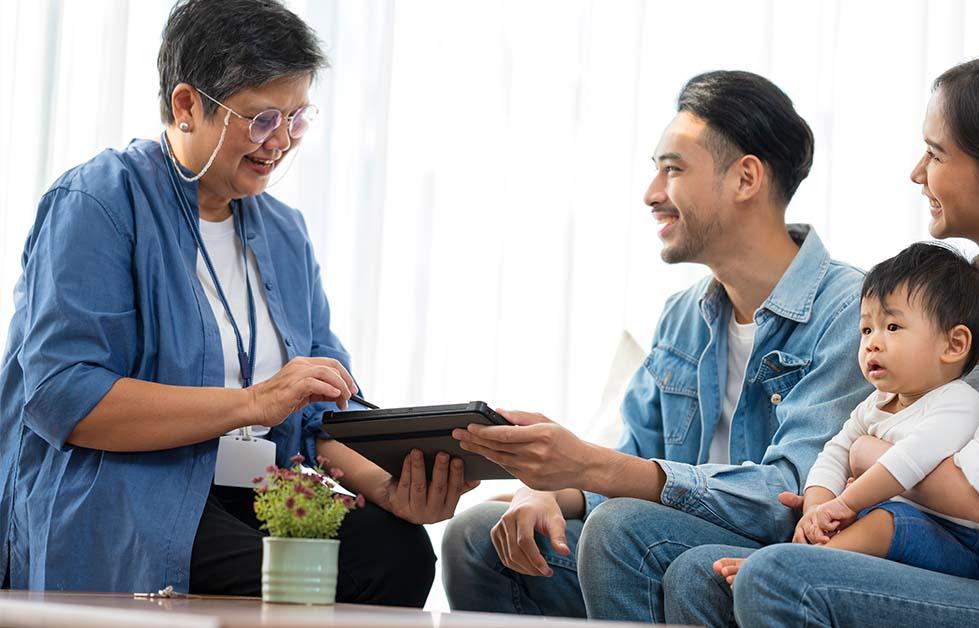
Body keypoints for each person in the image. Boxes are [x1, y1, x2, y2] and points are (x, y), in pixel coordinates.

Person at [663, 49, 979, 628]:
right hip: (948, 552)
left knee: (775, 578)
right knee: (695, 574)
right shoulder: (967, 287)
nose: (917, 173)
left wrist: (862, 455)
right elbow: (893, 417)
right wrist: (828, 496)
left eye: (935, 154)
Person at [0, 0, 474, 605]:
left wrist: (387, 487)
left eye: (297, 118)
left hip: (255, 487)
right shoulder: (98, 201)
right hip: (131, 489)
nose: (280, 142)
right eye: (261, 119)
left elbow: (317, 414)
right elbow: (64, 395)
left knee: (394, 551)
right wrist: (252, 402)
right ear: (186, 106)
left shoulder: (284, 233)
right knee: (282, 580)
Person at [443, 70, 872, 621]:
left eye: (672, 169)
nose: (651, 194)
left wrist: (590, 468)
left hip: (762, 561)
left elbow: (788, 495)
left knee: (624, 527)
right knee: (479, 532)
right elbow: (630, 458)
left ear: (745, 179)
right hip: (655, 544)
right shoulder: (683, 316)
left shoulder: (850, 310)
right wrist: (549, 489)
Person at [722, 242, 979, 585]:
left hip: (954, 542)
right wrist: (815, 509)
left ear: (953, 344)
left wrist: (844, 504)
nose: (872, 343)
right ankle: (803, 553)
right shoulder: (877, 402)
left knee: (884, 519)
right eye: (867, 329)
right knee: (866, 517)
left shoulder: (960, 403)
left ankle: (798, 563)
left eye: (892, 327)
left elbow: (907, 463)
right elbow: (834, 454)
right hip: (881, 517)